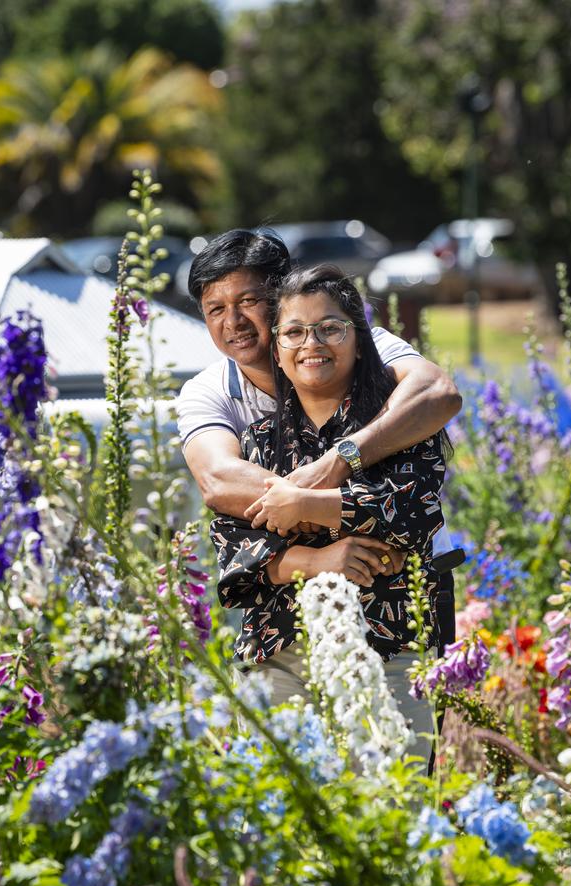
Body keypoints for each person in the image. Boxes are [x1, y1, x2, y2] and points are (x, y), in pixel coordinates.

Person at [176, 229, 462, 652]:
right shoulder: (209, 391)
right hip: (288, 619)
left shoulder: (349, 340)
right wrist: (321, 537)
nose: (232, 322)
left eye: (248, 302)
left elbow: (438, 395)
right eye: (215, 308)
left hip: (403, 598)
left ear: (281, 298)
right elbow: (220, 483)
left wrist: (338, 462)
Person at [209, 264, 448, 762]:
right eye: (294, 331)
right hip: (279, 658)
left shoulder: (395, 426)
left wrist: (303, 504)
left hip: (388, 653)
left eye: (330, 328)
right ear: (276, 349)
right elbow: (234, 562)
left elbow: (411, 514)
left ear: (359, 341)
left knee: (390, 821)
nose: (311, 343)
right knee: (278, 826)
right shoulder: (253, 443)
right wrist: (317, 560)